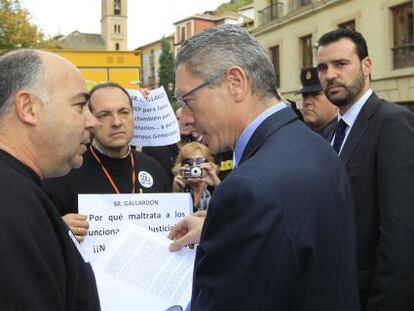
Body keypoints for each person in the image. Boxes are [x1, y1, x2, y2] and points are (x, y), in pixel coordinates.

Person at [169, 24, 359, 310]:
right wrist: (221, 229)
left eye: (187, 99)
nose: (183, 115)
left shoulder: (247, 190)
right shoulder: (316, 145)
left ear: (235, 82)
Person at [316, 28, 414, 311]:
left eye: (341, 64)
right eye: (323, 67)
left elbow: (401, 235)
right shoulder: (326, 134)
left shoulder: (393, 123)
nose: (330, 75)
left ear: (366, 66)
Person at [0, 49, 100, 309]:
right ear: (29, 108)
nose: (92, 122)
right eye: (79, 105)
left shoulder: (20, 191)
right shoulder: (11, 205)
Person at [43, 82, 171, 242]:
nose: (116, 122)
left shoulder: (154, 168)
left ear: (133, 115)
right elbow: (38, 235)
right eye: (104, 115)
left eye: (124, 112)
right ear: (88, 120)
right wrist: (57, 228)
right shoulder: (64, 172)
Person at [172, 142, 220, 212]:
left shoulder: (214, 188)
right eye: (188, 162)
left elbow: (230, 207)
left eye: (200, 162)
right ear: (180, 166)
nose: (194, 166)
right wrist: (176, 193)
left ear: (209, 164)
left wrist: (217, 185)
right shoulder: (179, 187)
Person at [295, 66, 338, 138]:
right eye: (305, 96)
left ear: (335, 100)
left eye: (315, 95)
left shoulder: (342, 135)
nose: (307, 102)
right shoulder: (300, 135)